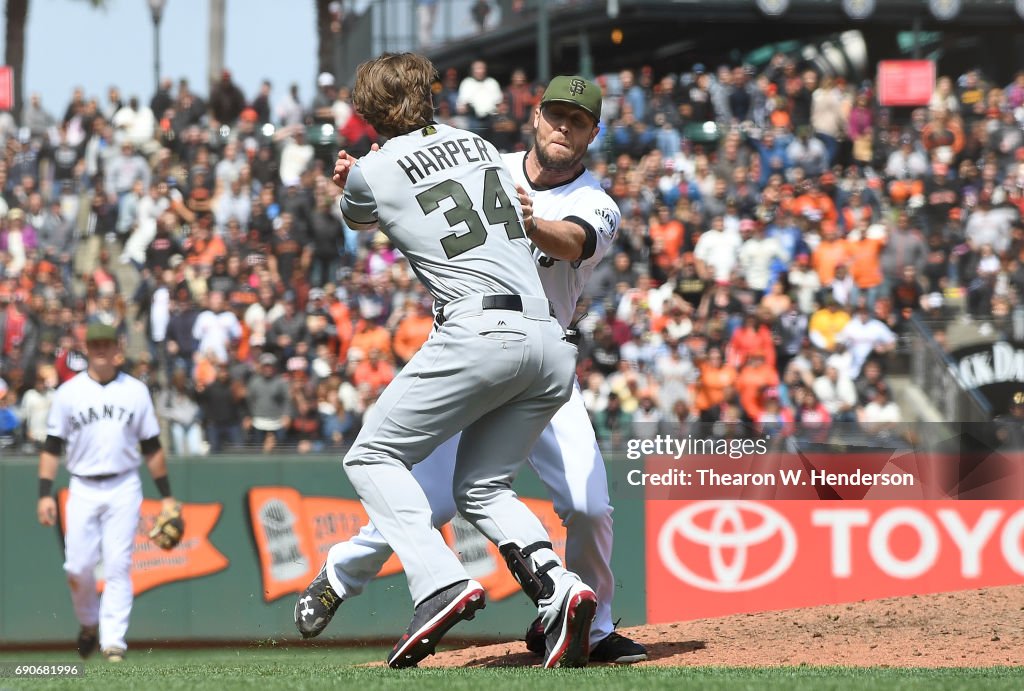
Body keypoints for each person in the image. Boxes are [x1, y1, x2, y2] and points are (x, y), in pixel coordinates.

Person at [294, 75, 648, 664]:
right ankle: (340, 573)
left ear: (593, 133)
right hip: (490, 354)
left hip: (532, 359)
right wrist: (368, 177)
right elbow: (397, 187)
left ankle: (593, 625)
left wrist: (525, 221)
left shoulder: (595, 199)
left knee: (587, 506)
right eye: (556, 115)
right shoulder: (485, 156)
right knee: (428, 502)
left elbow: (574, 241)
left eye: (578, 121)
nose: (564, 127)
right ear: (535, 116)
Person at [35, 323, 178, 663]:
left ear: (118, 348)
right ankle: (88, 624)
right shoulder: (69, 392)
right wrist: (44, 493)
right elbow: (52, 446)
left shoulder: (135, 391)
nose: (100, 349)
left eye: (106, 343)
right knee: (77, 567)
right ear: (87, 348)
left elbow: (153, 447)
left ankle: (113, 641)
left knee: (118, 564)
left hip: (124, 484)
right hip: (82, 485)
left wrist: (168, 496)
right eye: (95, 343)